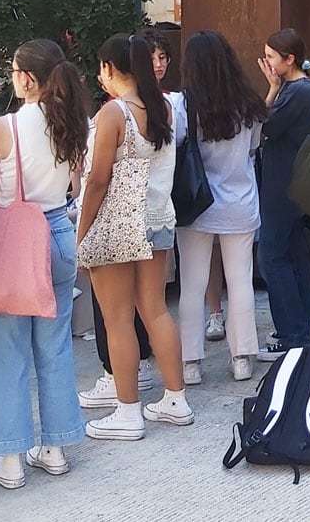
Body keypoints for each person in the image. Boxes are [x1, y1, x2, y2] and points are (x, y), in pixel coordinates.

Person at [0, 39, 89, 489]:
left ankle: (9, 458)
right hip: (58, 233)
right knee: (55, 346)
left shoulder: (2, 128)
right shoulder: (73, 123)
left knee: (6, 351)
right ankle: (56, 447)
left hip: (13, 240)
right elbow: (76, 184)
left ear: (25, 77)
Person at [78, 33, 187, 439]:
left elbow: (97, 180)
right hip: (158, 217)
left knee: (117, 318)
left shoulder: (113, 114)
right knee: (155, 309)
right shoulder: (164, 107)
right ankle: (175, 398)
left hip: (118, 223)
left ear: (109, 68)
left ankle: (128, 411)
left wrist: (83, 231)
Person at [176, 31, 266, 384]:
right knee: (241, 281)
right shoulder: (249, 104)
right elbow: (253, 149)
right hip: (240, 201)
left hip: (196, 204)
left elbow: (178, 148)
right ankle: (242, 356)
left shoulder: (183, 105)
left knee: (193, 285)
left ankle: (190, 362)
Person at [254, 29, 310, 358]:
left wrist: (271, 90)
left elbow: (263, 125)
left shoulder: (298, 91)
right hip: (289, 183)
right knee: (293, 256)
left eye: (270, 57)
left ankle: (292, 332)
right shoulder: (301, 88)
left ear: (289, 59)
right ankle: (299, 328)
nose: (266, 63)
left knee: (273, 257)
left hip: (284, 184)